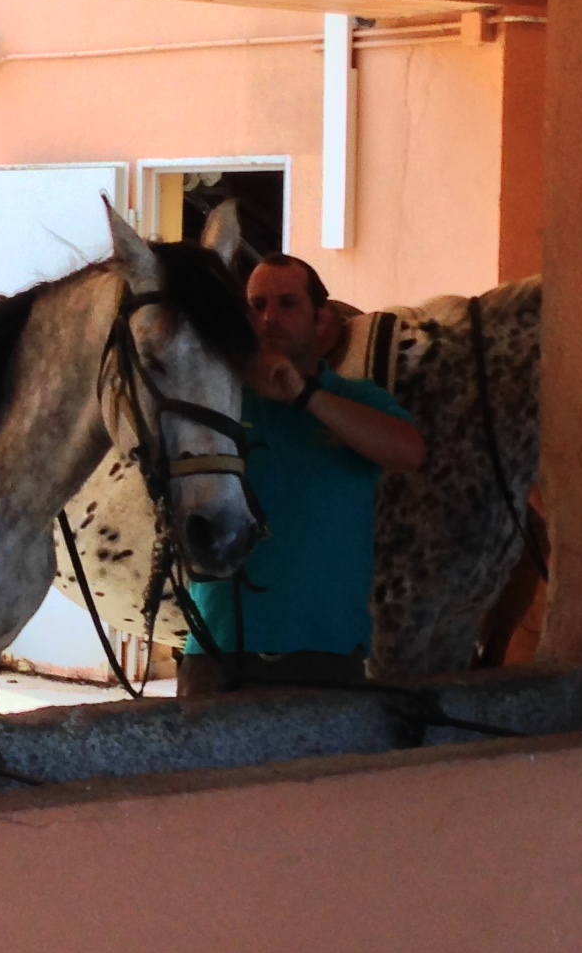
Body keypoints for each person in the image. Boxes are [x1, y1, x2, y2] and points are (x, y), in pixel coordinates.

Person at [180, 253, 426, 694]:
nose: (270, 317)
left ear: (322, 319)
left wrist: (307, 396)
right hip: (218, 653)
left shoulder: (355, 398)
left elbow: (410, 452)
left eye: (288, 303)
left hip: (327, 655)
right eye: (257, 305)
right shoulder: (222, 400)